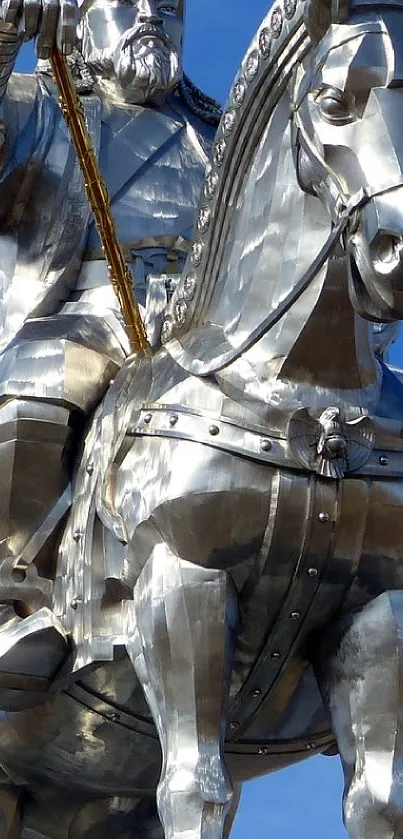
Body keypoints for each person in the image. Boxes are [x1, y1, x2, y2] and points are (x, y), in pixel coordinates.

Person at [0, 0, 220, 690]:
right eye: (127, 1)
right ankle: (19, 594)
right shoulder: (38, 104)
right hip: (96, 310)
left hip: (210, 322)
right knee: (39, 380)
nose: (150, 15)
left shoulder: (220, 129)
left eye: (168, 5)